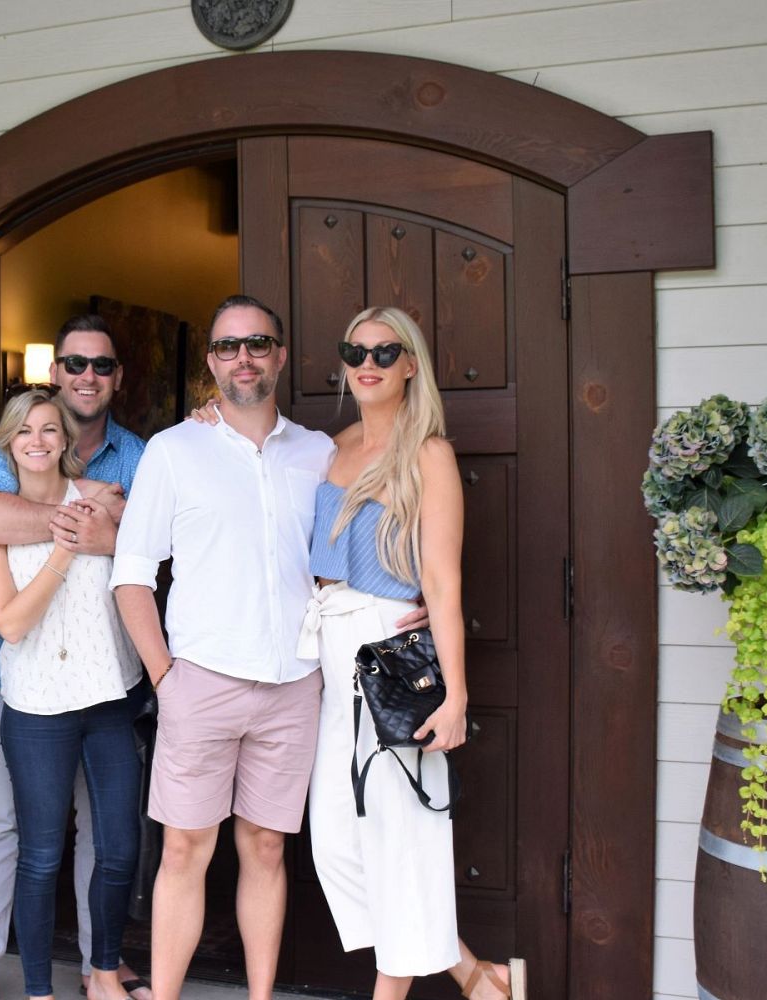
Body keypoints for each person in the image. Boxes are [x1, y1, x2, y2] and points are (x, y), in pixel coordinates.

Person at [110, 295, 334, 1000]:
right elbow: (131, 575)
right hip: (199, 683)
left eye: (259, 344)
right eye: (230, 346)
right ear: (211, 360)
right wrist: (165, 677)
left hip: (294, 683)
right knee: (184, 849)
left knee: (267, 848)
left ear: (281, 356)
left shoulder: (319, 453)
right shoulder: (175, 451)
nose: (245, 357)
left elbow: (337, 561)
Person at [301, 307, 523, 1000]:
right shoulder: (332, 450)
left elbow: (444, 582)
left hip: (390, 662)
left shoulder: (427, 452)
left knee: (401, 843)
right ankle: (478, 978)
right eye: (354, 350)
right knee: (337, 843)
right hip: (332, 667)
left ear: (409, 365)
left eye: (384, 351)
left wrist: (456, 695)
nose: (366, 363)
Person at [0, 315, 151, 1000]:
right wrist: (74, 535)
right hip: (28, 698)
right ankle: (8, 979)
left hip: (108, 695)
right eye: (75, 365)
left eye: (101, 366)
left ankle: (103, 970)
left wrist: (108, 517)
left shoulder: (126, 464)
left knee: (116, 846)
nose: (88, 376)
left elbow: (162, 533)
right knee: (22, 844)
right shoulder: (2, 490)